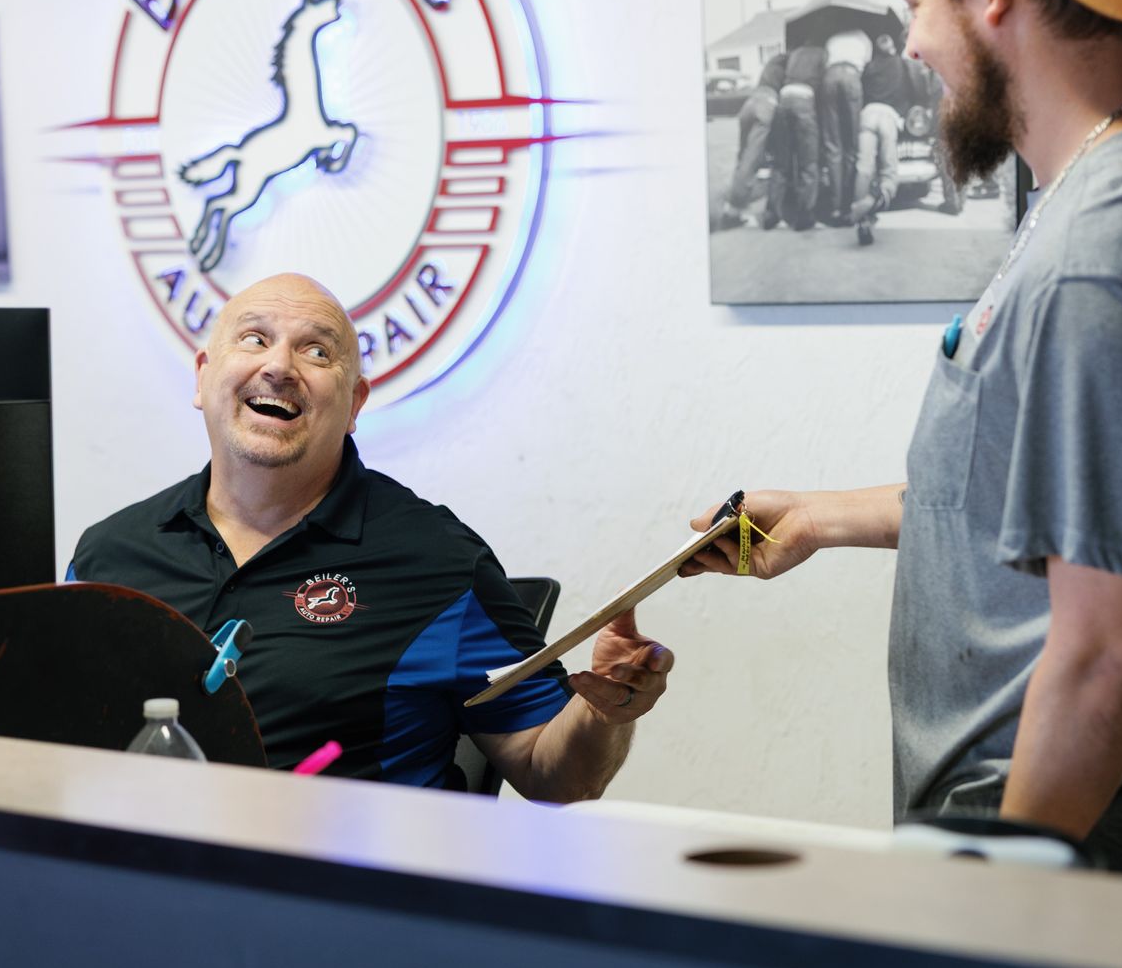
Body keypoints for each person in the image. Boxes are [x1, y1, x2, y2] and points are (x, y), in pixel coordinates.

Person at [682, 0, 1122, 887]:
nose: (908, 45)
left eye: (917, 4)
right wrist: (821, 518)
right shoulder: (1084, 205)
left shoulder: (1108, 253)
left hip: (1067, 858)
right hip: (1028, 836)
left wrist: (991, 913)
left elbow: (1107, 654)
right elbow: (1021, 490)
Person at [71, 272, 672, 799]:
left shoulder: (436, 561)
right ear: (204, 378)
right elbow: (53, 739)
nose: (278, 366)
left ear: (355, 403)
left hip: (344, 902)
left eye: (316, 352)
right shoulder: (108, 553)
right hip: (135, 890)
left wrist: (604, 711)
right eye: (254, 339)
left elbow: (557, 775)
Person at [851, 32, 921, 246]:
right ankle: (874, 201)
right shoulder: (902, 64)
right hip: (888, 117)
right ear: (892, 46)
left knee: (864, 166)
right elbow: (916, 88)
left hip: (867, 115)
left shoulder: (869, 67)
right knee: (889, 170)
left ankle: (861, 218)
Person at [716, 52, 789, 232]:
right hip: (767, 103)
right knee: (751, 160)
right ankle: (733, 211)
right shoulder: (790, 65)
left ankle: (733, 203)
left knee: (742, 157)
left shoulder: (775, 61)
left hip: (750, 103)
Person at [763, 43, 826, 231]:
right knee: (809, 163)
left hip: (784, 99)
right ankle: (804, 215)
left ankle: (771, 214)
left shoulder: (796, 52)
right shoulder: (822, 53)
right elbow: (824, 86)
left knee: (781, 162)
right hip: (804, 101)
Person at [817, 29, 872, 225]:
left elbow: (824, 63)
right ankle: (849, 206)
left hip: (829, 78)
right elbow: (867, 66)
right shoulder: (863, 37)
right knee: (851, 145)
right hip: (851, 75)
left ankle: (834, 208)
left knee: (833, 146)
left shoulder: (832, 37)